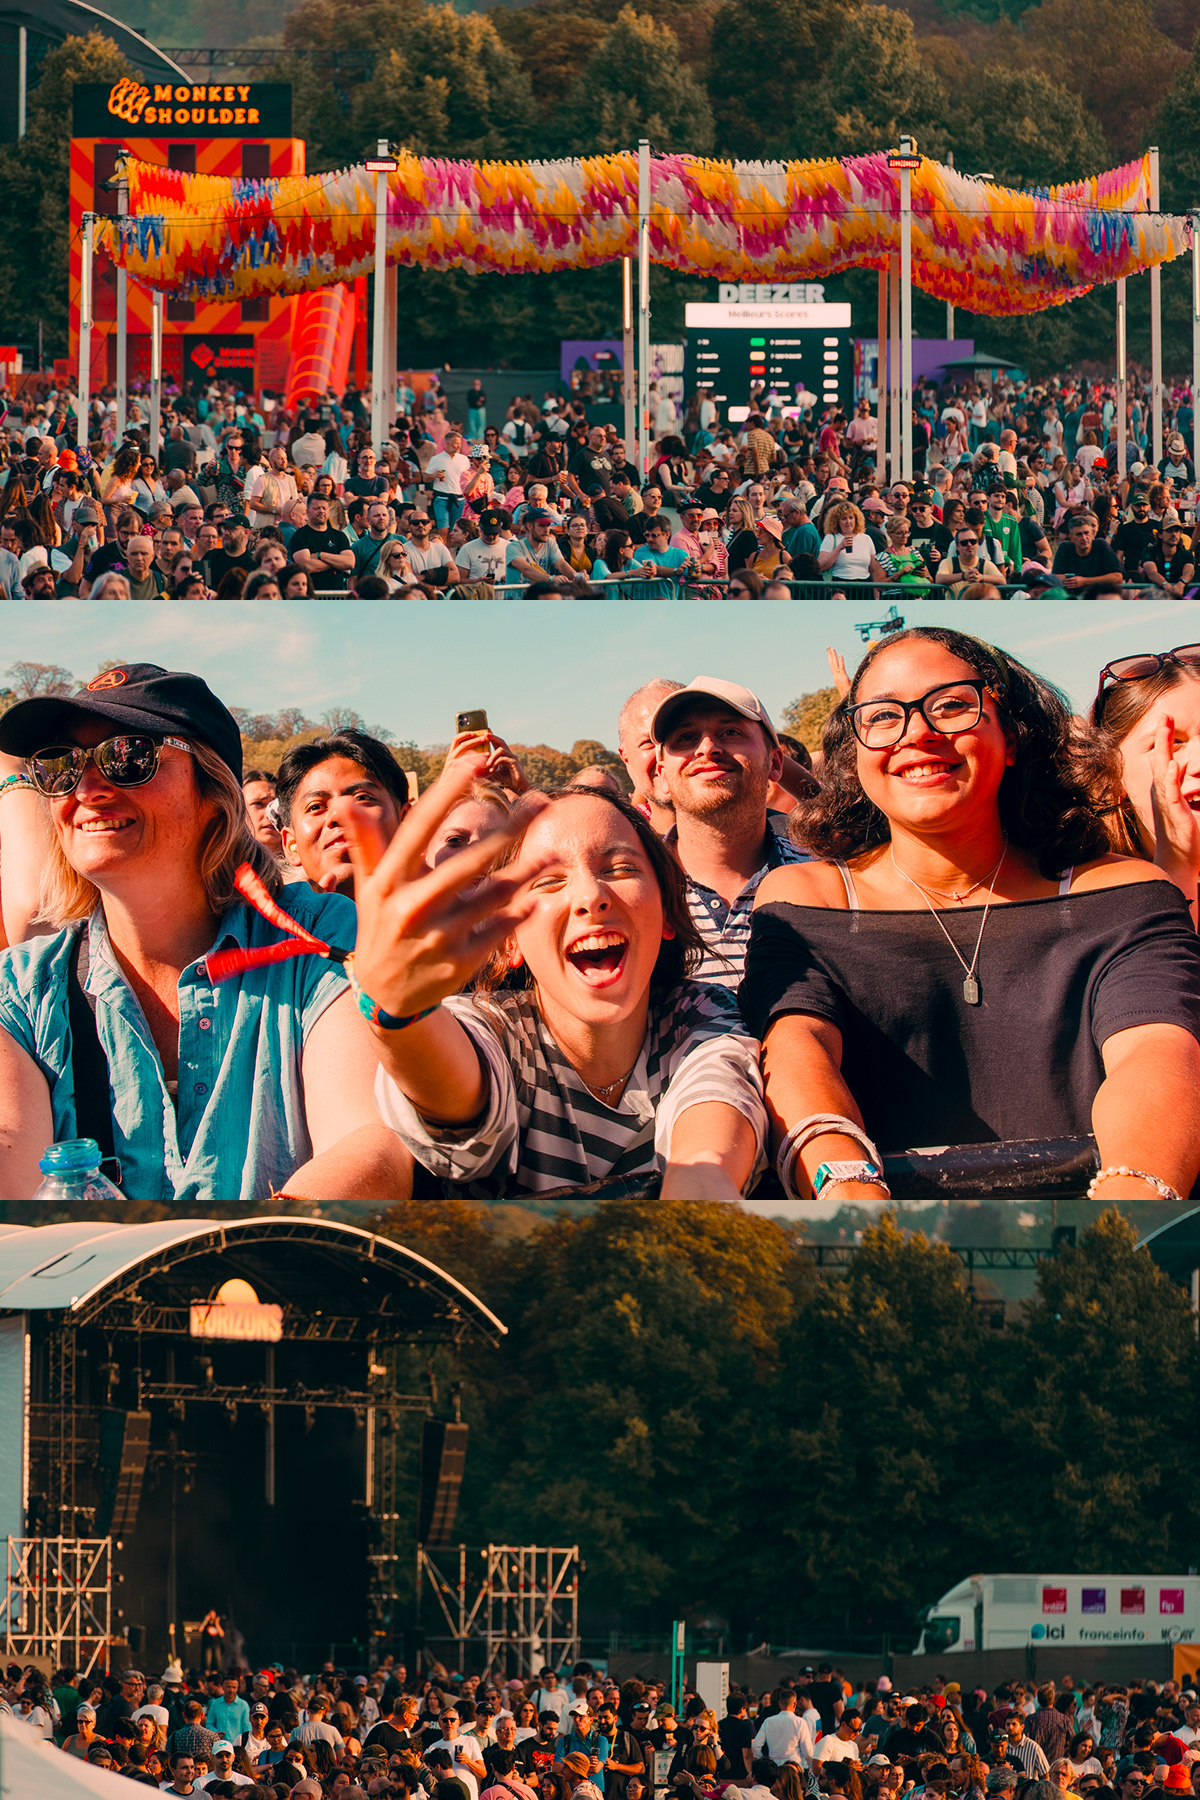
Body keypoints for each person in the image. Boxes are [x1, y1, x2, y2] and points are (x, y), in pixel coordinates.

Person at [740, 626, 1200, 1204]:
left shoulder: (1123, 893)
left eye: (952, 705)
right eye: (882, 716)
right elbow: (795, 1048)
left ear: (1012, 737)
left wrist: (1127, 1211)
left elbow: (1156, 1051)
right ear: (853, 752)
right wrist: (852, 1204)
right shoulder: (806, 899)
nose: (919, 734)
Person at [0, 663, 412, 1202]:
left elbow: (370, 1142)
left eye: (128, 756)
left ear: (213, 791)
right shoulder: (23, 988)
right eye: (61, 766)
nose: (89, 788)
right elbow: (13, 1150)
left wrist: (232, 1265)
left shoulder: (322, 934)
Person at [355, 755, 768, 1199]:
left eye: (620, 868)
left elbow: (715, 1110)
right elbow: (451, 1092)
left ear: (667, 910)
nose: (590, 895)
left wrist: (700, 1193)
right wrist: (396, 1012)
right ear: (509, 938)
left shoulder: (699, 1016)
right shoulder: (495, 1029)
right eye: (550, 881)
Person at [651, 678, 808, 986]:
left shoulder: (828, 875)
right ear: (662, 775)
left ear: (775, 763)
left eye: (731, 732)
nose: (707, 748)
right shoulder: (637, 893)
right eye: (685, 737)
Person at [276, 728, 411, 899]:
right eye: (316, 807)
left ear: (406, 822)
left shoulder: (449, 916)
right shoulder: (259, 923)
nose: (339, 815)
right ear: (291, 845)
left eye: (362, 797)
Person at [288, 490, 355, 592]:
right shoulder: (299, 536)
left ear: (328, 511)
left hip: (336, 598)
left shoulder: (339, 536)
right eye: (316, 508)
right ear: (307, 512)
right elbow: (306, 566)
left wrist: (320, 555)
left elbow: (350, 562)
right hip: (311, 596)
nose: (321, 511)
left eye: (324, 508)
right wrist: (337, 564)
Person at [1050, 510, 1122, 593]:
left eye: (1086, 533)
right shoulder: (1065, 547)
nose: (1084, 538)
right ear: (1071, 538)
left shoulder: (1101, 545)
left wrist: (1084, 581)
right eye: (1079, 534)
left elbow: (1117, 577)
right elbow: (1055, 577)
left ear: (1092, 533)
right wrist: (1076, 580)